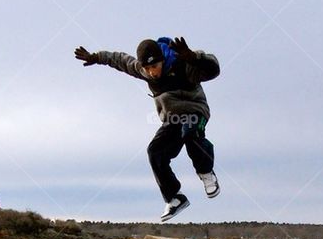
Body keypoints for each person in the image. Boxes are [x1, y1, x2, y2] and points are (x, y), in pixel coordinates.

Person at [74, 37, 220, 221]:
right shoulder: (143, 71)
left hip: (195, 112)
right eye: (148, 68)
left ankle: (206, 172)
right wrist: (96, 57)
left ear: (162, 60)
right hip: (172, 119)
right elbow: (120, 60)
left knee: (190, 133)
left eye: (155, 67)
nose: (152, 72)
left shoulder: (182, 63)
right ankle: (175, 198)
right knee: (155, 151)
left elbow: (214, 70)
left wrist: (194, 58)